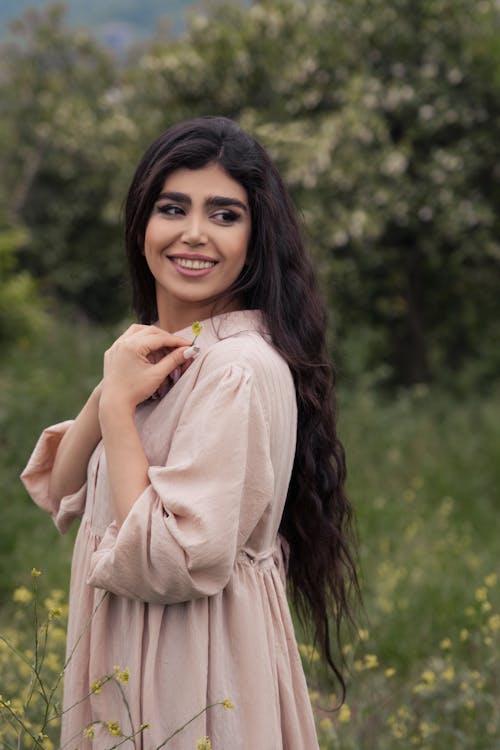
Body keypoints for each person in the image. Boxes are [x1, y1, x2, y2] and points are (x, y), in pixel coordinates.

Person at [21, 116, 358, 749]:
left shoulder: (238, 369)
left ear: (255, 239)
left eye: (225, 215)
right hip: (134, 664)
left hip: (194, 676)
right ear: (142, 223)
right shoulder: (168, 355)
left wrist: (118, 408)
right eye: (173, 207)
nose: (195, 234)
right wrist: (110, 390)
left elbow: (168, 563)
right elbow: (59, 490)